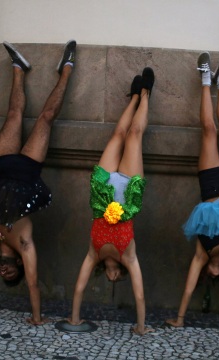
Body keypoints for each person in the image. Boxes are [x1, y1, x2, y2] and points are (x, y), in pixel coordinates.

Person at [0, 40, 76, 324]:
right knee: (46, 118)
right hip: (27, 170)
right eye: (11, 274)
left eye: (3, 275)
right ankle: (66, 68)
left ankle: (18, 67)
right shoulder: (25, 244)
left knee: (13, 115)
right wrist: (37, 318)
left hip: (2, 167)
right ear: (18, 267)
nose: (5, 273)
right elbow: (34, 284)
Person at [66, 67, 155, 335]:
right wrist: (140, 327)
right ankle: (145, 94)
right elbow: (139, 295)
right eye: (117, 278)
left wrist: (74, 319)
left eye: (110, 278)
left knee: (117, 135)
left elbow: (79, 287)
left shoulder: (93, 254)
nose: (113, 277)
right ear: (122, 274)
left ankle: (133, 100)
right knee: (134, 136)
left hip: (103, 190)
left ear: (103, 273)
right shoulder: (129, 256)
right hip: (127, 189)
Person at [166, 52, 219, 328]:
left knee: (208, 130)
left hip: (211, 184)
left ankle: (205, 79)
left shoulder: (202, 252)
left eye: (209, 275)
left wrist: (179, 319)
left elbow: (189, 287)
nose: (213, 273)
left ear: (206, 273)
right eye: (217, 274)